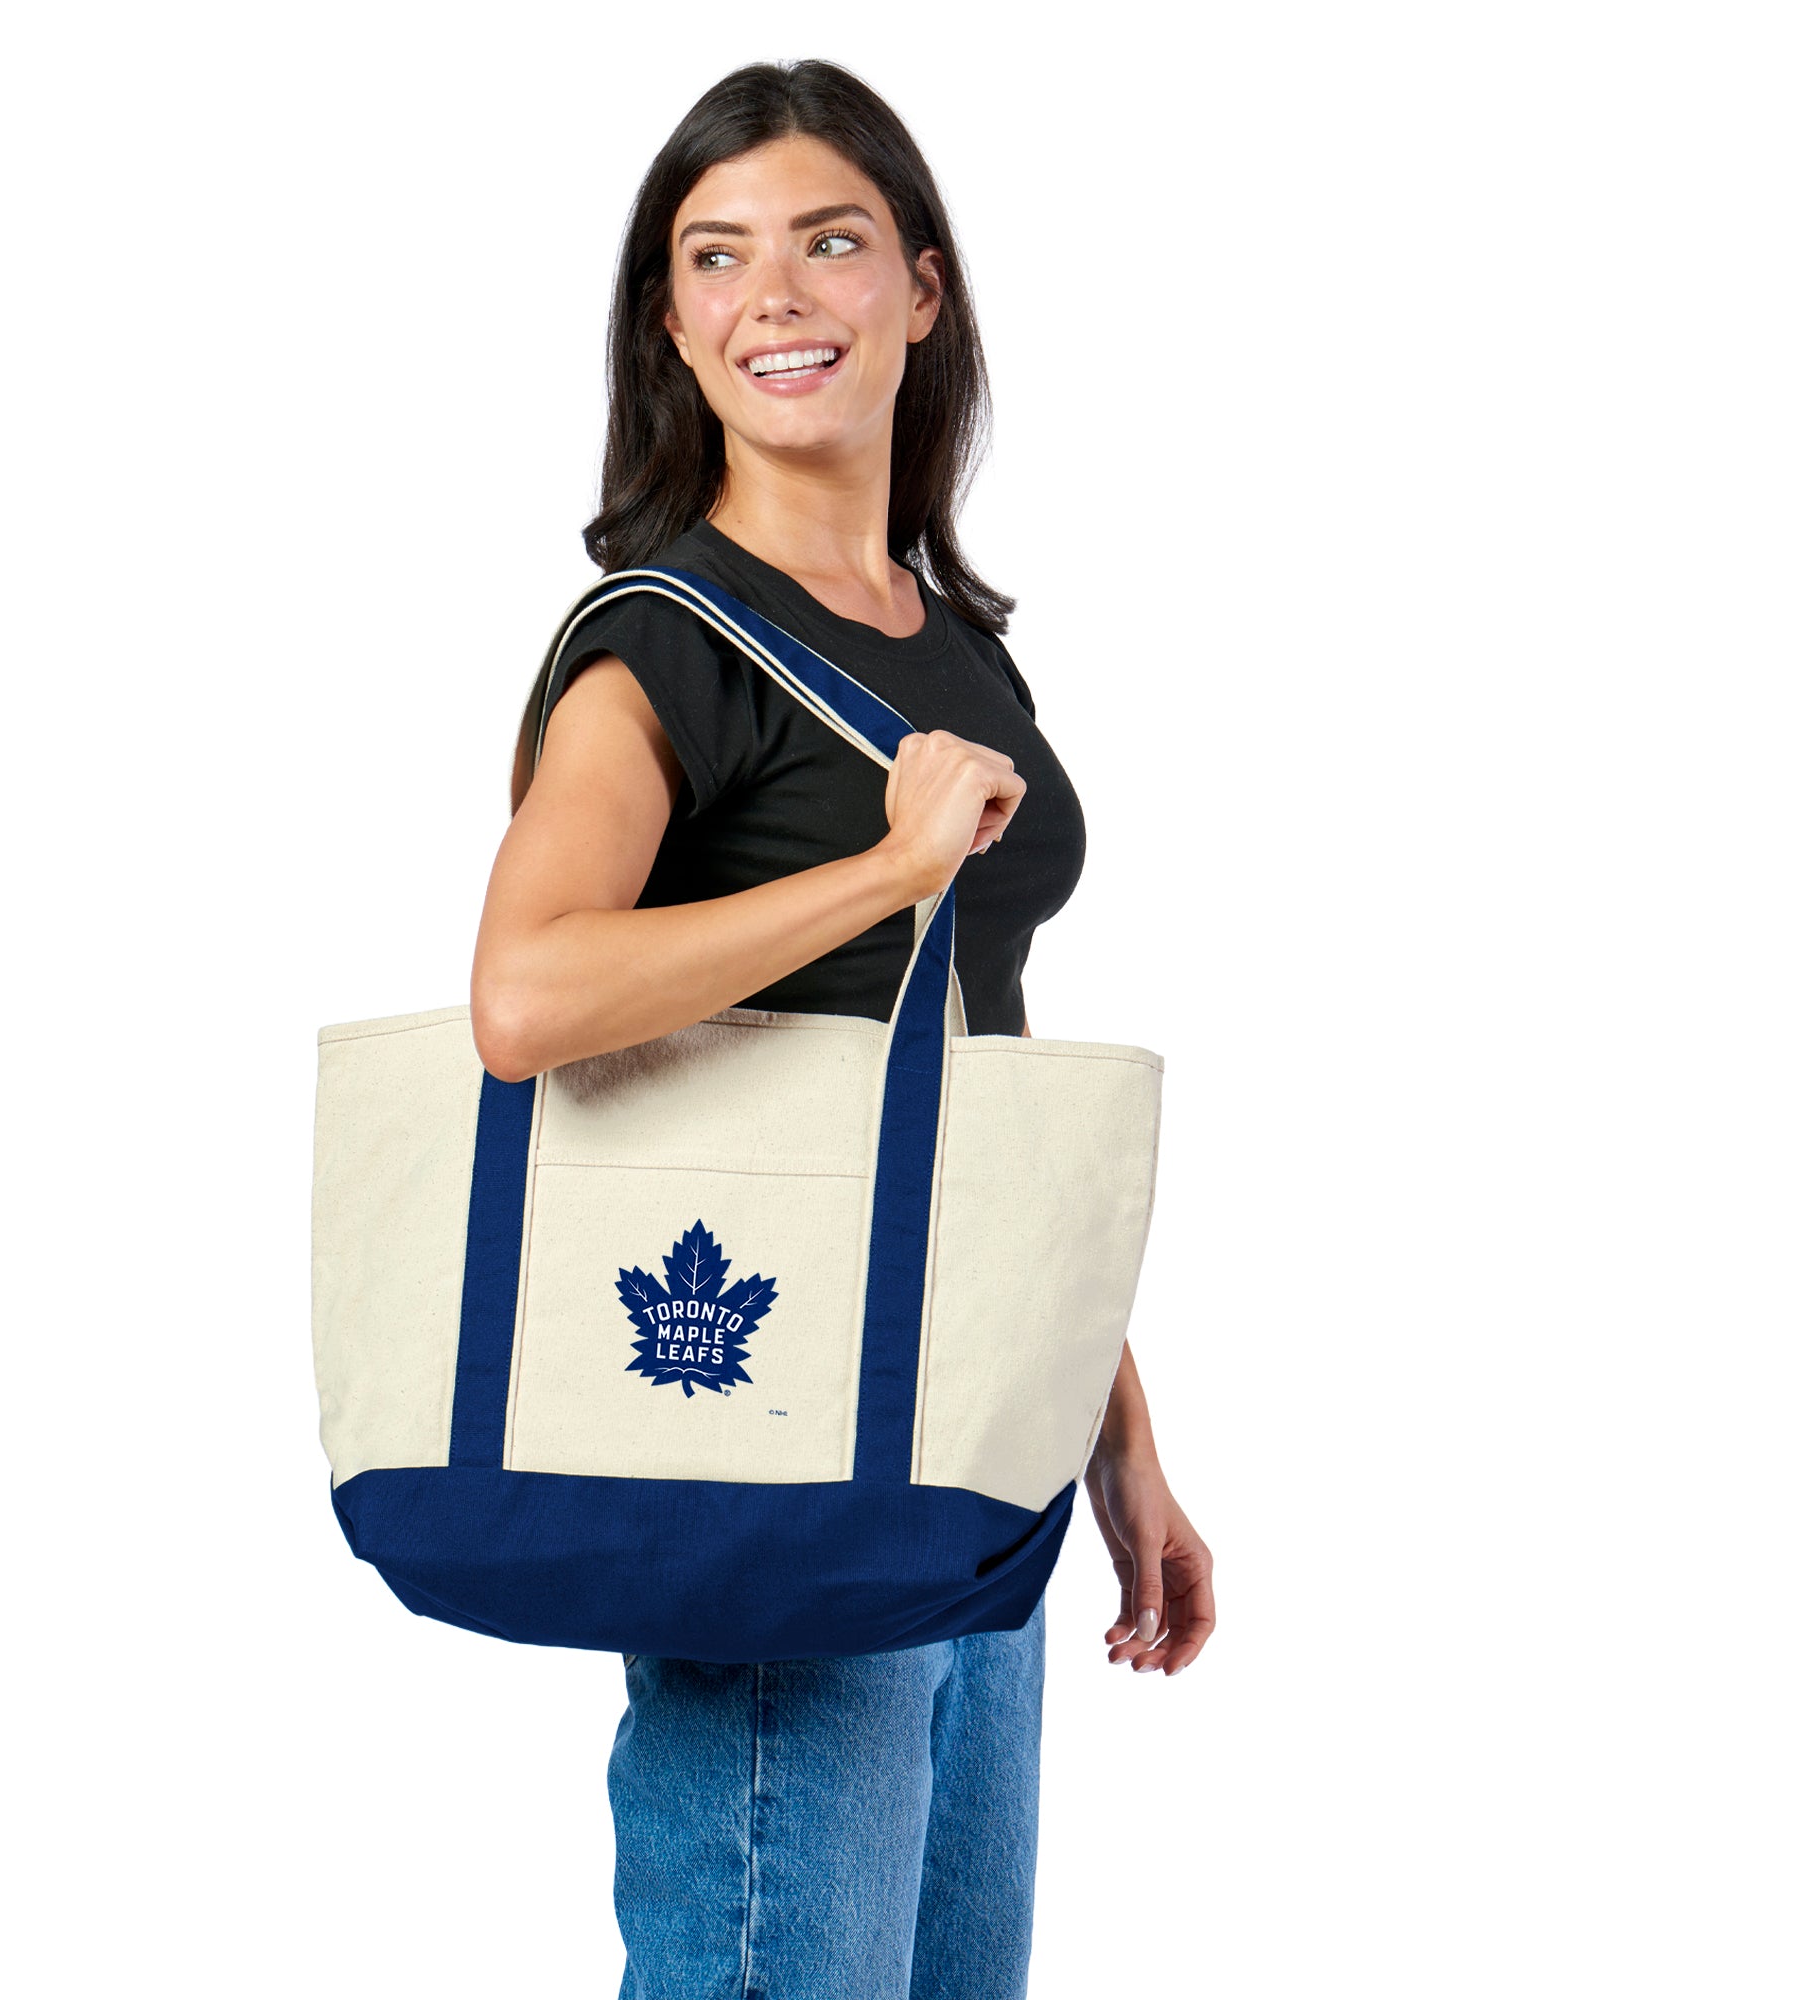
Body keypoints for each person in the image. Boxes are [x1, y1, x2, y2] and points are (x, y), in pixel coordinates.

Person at [469, 58, 1215, 2000]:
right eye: (715, 257)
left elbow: (967, 1059)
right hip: (773, 1460)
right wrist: (884, 871)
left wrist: (1116, 1428)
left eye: (828, 242)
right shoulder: (663, 642)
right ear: (669, 323)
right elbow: (526, 994)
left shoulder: (945, 641)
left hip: (974, 1450)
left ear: (921, 291)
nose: (775, 296)